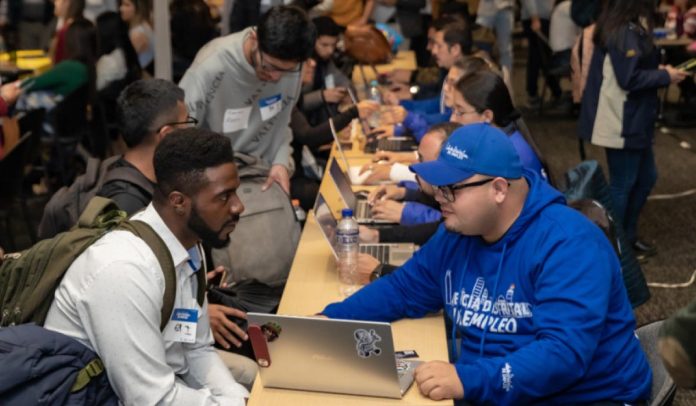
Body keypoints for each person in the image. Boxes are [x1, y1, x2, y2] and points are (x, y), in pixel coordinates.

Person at [322, 123, 652, 404]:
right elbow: (404, 289)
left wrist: (468, 380)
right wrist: (326, 322)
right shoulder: (459, 231)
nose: (439, 198)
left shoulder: (569, 244)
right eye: (438, 187)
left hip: (588, 396)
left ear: (497, 189)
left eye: (450, 189)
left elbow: (561, 355)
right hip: (502, 384)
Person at [43, 128, 249, 405]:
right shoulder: (123, 270)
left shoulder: (188, 243)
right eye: (224, 197)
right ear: (179, 202)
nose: (239, 207)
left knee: (252, 382)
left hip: (159, 375)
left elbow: (195, 348)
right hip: (100, 397)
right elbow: (150, 399)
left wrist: (238, 399)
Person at [578, 0, 688, 259]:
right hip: (621, 120)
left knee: (645, 177)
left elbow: (630, 70)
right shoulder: (623, 30)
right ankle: (616, 247)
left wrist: (659, 71)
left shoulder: (625, 25)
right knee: (624, 183)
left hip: (633, 119)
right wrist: (665, 77)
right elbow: (629, 79)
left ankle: (626, 238)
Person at [179, 5, 316, 195]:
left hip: (263, 176)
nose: (276, 77)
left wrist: (281, 163)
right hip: (215, 180)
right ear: (254, 39)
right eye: (269, 66)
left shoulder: (294, 67)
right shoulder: (210, 66)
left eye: (285, 70)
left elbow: (282, 123)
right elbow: (180, 133)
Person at [96, 79, 191, 214]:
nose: (190, 131)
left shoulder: (145, 180)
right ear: (167, 135)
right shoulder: (127, 204)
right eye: (186, 122)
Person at [450, 70, 547, 180]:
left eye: (460, 112)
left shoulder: (506, 158)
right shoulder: (496, 141)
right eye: (453, 110)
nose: (452, 119)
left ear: (487, 116)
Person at [119, 0, 154, 70]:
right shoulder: (143, 25)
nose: (121, 9)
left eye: (127, 5)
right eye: (122, 4)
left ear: (138, 8)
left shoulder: (137, 34)